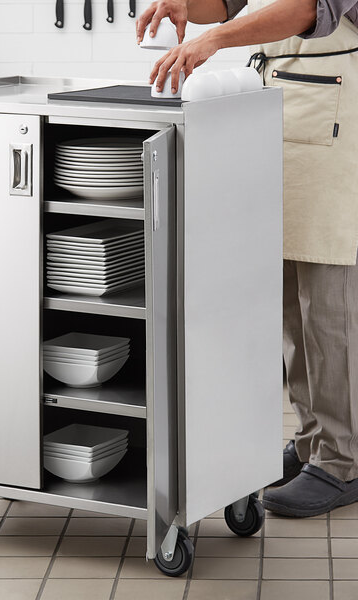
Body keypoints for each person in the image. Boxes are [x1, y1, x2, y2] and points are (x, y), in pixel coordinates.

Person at [136, 0, 358, 517]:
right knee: (288, 298)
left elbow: (309, 10)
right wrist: (190, 7)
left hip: (337, 116)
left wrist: (215, 40)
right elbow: (231, 3)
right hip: (283, 108)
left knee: (327, 305)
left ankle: (342, 460)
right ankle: (312, 440)